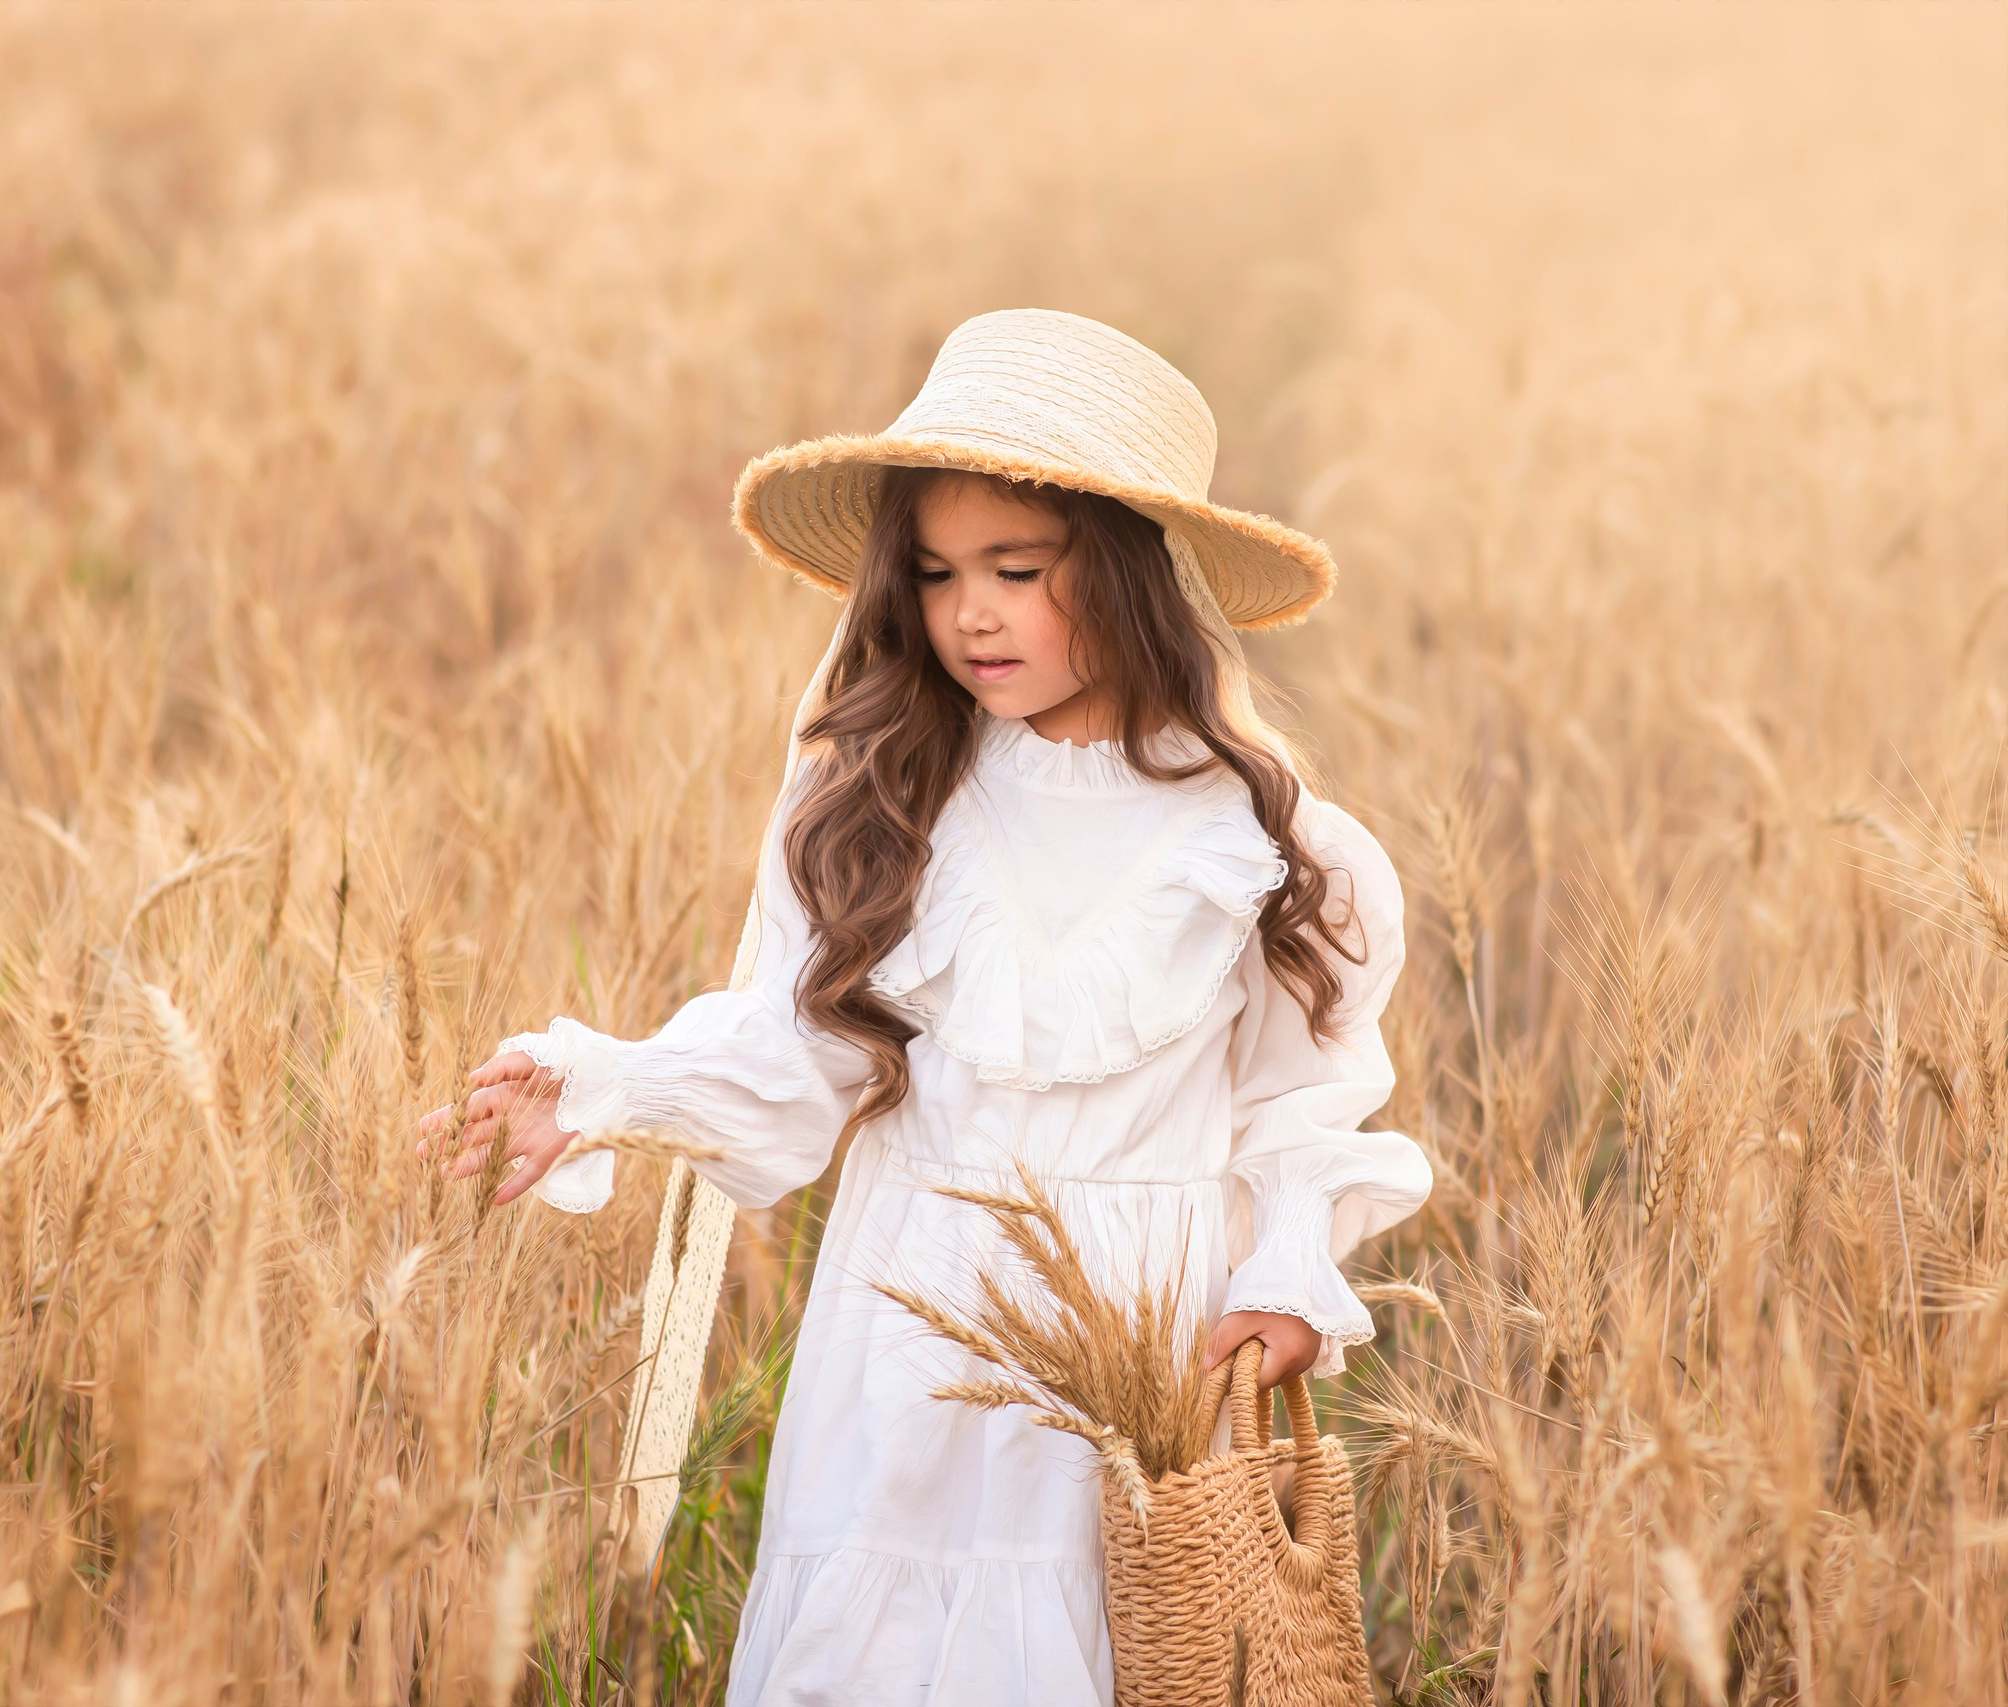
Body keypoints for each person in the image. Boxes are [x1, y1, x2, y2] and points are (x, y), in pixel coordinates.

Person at [421, 309, 1432, 1705]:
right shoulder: (888, 801)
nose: (971, 613)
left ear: (1132, 575)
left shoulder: (1264, 840)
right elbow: (794, 1052)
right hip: (911, 1329)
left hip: (1136, 1350)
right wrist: (608, 1088)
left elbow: (1303, 1104)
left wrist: (1287, 1275)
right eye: (939, 574)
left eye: (1020, 570)